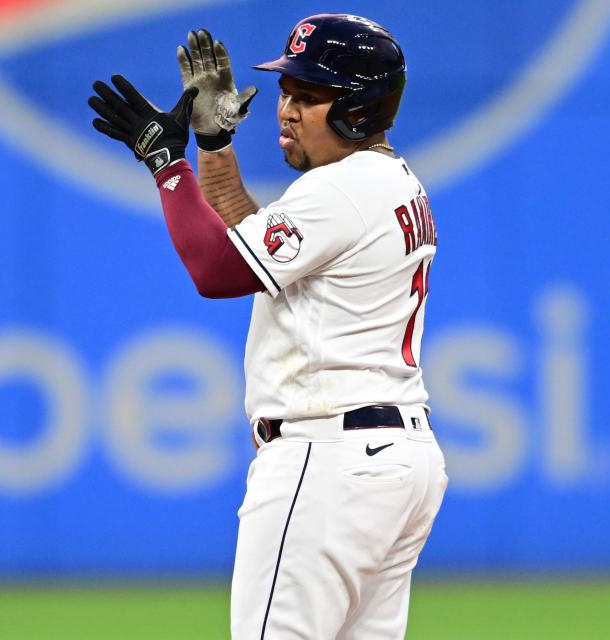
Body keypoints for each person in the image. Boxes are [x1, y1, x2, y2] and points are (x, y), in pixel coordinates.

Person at [89, 13, 447, 640]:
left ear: (358, 111)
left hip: (328, 461)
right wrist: (214, 147)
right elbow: (257, 248)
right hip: (393, 462)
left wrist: (166, 165)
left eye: (309, 97)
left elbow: (217, 270)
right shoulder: (387, 181)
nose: (286, 109)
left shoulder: (343, 190)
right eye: (287, 91)